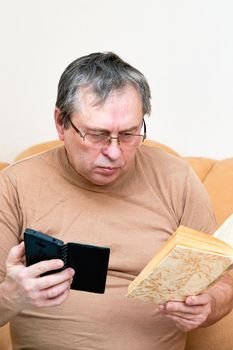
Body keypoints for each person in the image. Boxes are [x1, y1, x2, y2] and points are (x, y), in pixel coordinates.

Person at [0, 52, 233, 350]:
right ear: (61, 123)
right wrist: (11, 296)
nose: (114, 152)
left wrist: (209, 304)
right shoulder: (16, 184)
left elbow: (224, 282)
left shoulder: (177, 179)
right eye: (97, 134)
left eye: (128, 134)